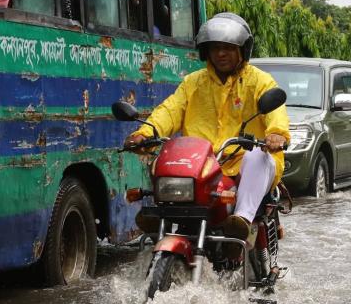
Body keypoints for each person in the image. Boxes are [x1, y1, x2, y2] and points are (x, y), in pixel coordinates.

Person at [124, 13, 290, 260]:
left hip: (243, 163)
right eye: (215, 48)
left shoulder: (260, 81)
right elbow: (169, 111)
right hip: (203, 167)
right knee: (164, 159)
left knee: (257, 157)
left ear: (242, 50)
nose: (220, 54)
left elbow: (276, 112)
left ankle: (240, 223)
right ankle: (163, 221)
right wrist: (145, 133)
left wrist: (276, 134)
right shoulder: (193, 82)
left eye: (227, 48)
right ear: (206, 52)